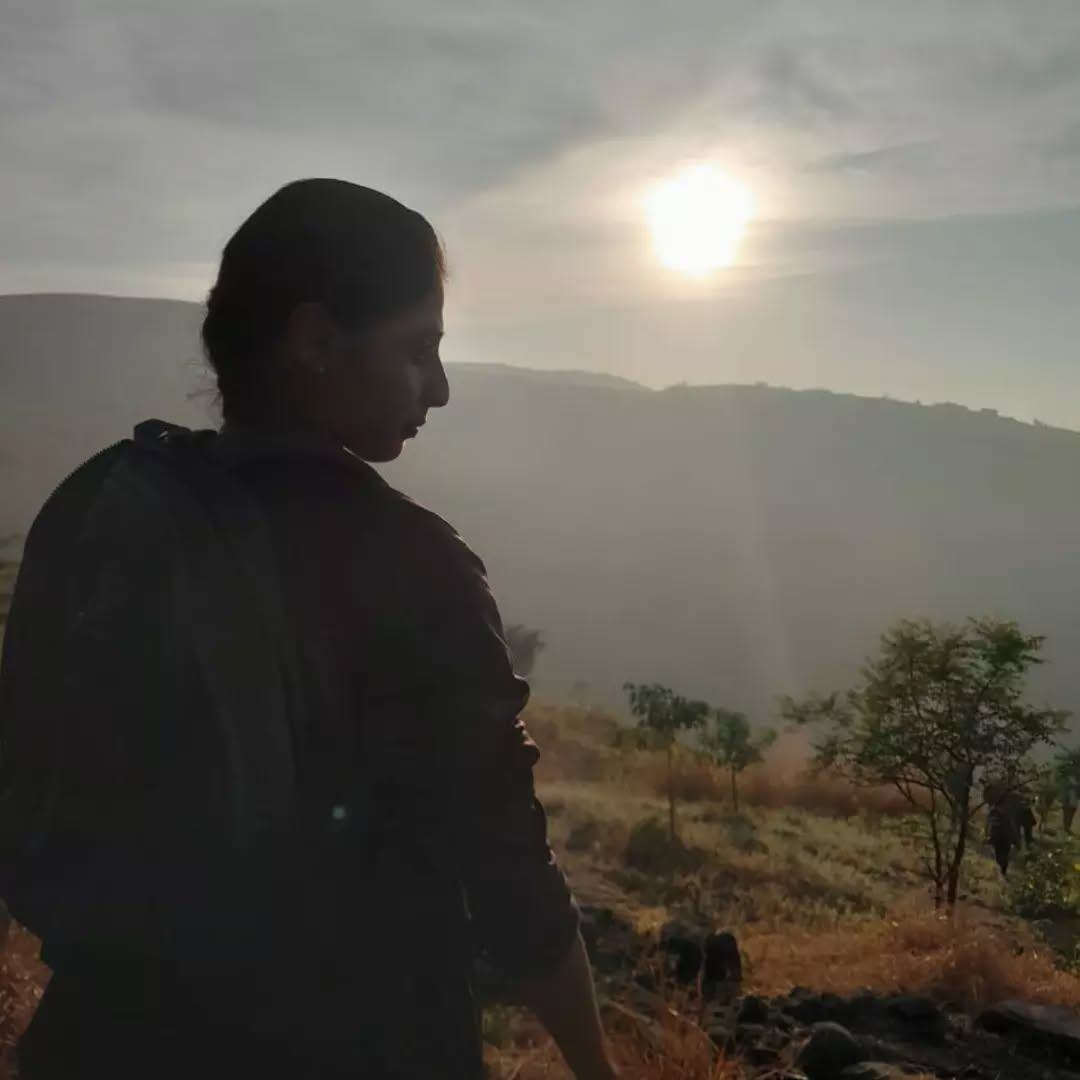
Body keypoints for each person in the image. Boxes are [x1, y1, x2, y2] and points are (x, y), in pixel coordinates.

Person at [0, 180, 618, 1080]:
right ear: (317, 340)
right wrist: (597, 1067)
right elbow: (510, 874)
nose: (441, 389)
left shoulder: (107, 504)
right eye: (418, 349)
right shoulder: (416, 565)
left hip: (97, 1036)